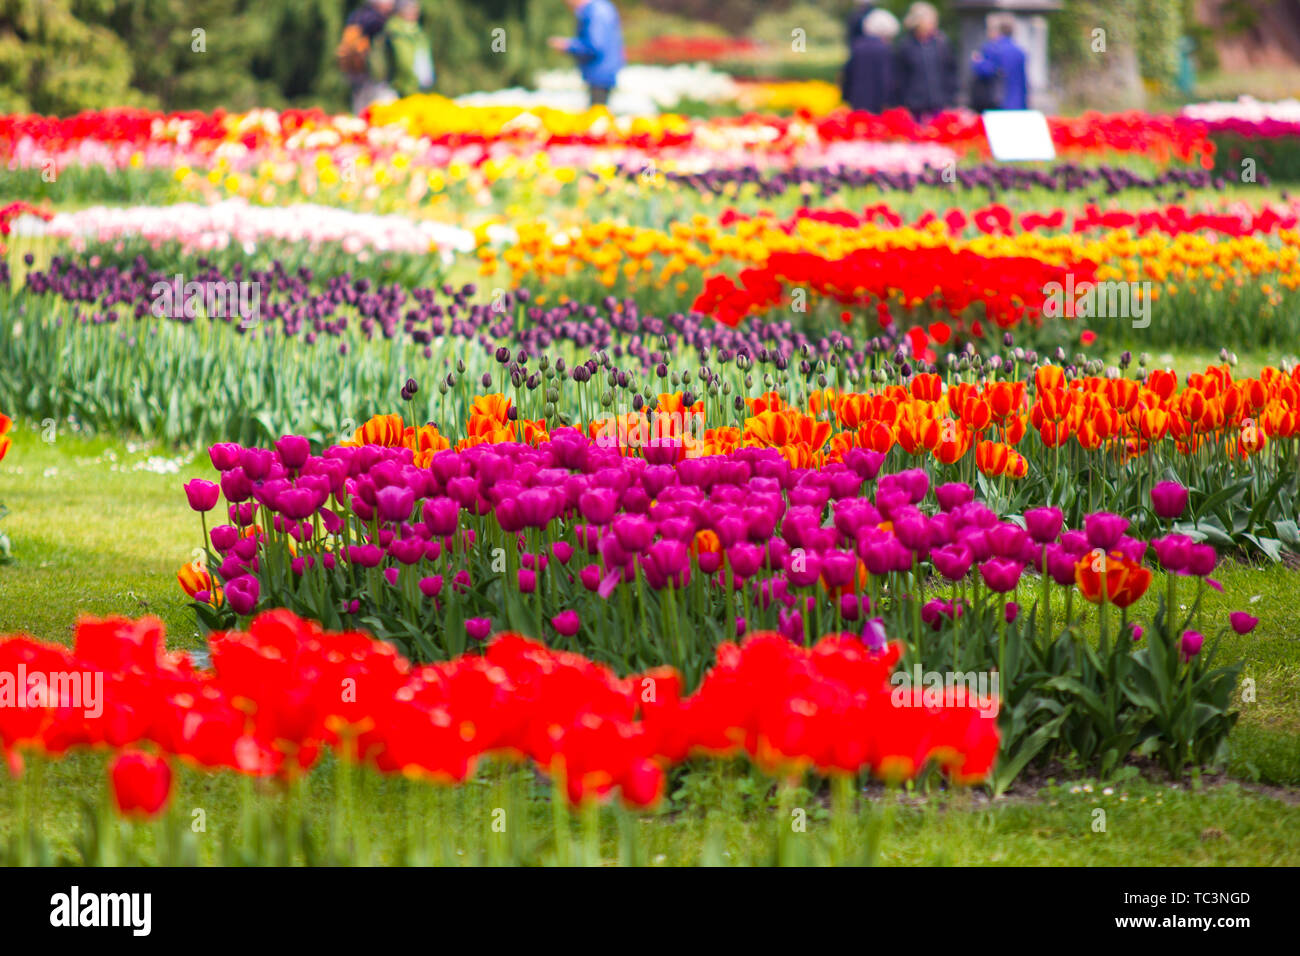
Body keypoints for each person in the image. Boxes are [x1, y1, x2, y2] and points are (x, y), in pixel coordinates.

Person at [549, 0, 625, 108]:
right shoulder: (603, 6)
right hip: (605, 69)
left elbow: (595, 45)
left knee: (596, 115)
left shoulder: (594, 11)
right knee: (599, 113)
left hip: (599, 71)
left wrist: (568, 45)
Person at [894, 1, 956, 123]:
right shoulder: (906, 46)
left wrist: (950, 97)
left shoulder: (941, 44)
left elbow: (950, 72)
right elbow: (900, 77)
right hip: (914, 105)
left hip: (938, 103)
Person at [338, 0, 397, 113]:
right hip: (373, 74)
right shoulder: (377, 19)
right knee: (380, 109)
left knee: (361, 108)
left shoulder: (356, 15)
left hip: (357, 71)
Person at [842, 8, 898, 114]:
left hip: (857, 99)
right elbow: (887, 79)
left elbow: (848, 73)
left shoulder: (857, 46)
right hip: (878, 102)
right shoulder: (885, 49)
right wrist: (889, 101)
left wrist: (846, 97)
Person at [970, 13, 1028, 110]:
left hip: (998, 102)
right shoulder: (1019, 51)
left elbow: (986, 71)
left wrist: (977, 62)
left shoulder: (992, 49)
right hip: (1017, 103)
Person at [384, 0, 435, 98]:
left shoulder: (416, 30)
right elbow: (403, 61)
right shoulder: (396, 31)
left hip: (419, 84)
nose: (416, 12)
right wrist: (411, 84)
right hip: (403, 86)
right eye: (412, 8)